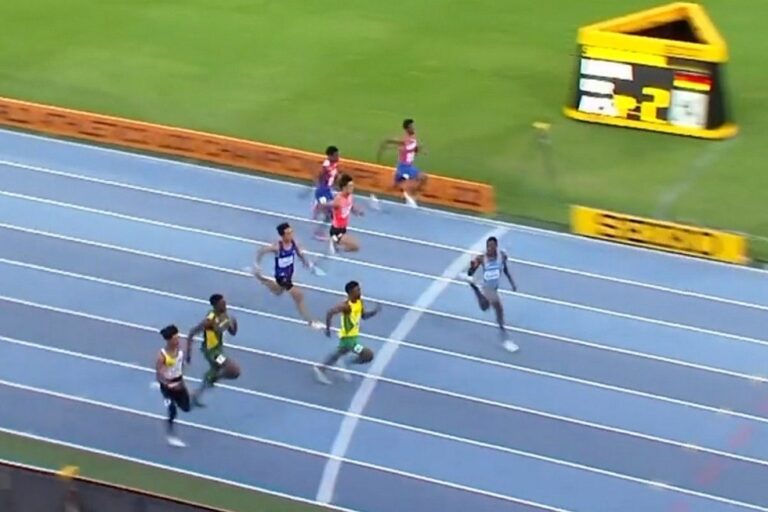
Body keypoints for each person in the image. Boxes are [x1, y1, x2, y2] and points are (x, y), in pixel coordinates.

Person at [251, 222, 324, 329]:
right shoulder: (277, 246)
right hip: (282, 276)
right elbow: (261, 251)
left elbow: (299, 254)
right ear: (283, 236)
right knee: (299, 296)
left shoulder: (294, 243)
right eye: (288, 233)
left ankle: (260, 278)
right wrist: (257, 264)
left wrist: (307, 263)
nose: (291, 235)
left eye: (291, 232)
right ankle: (311, 322)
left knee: (278, 292)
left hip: (289, 274)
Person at [314, 280, 380, 384]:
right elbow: (330, 312)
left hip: (354, 336)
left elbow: (363, 316)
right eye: (357, 290)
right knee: (368, 355)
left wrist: (373, 312)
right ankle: (343, 363)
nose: (360, 292)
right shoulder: (346, 306)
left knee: (338, 353)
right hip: (348, 339)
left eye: (359, 289)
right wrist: (328, 329)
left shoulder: (360, 302)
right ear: (350, 292)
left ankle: (321, 368)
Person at [464, 236, 519, 353]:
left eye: (492, 246)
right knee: (498, 308)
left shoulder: (501, 257)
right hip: (487, 288)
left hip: (494, 288)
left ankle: (474, 287)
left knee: (485, 307)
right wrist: (471, 267)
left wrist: (512, 283)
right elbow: (470, 272)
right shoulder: (481, 258)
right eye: (488, 246)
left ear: (496, 247)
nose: (489, 248)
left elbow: (505, 270)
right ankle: (504, 337)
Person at [186, 294, 241, 407]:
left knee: (220, 371)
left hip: (218, 350)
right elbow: (192, 332)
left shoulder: (224, 315)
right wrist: (188, 353)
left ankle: (196, 394)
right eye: (222, 304)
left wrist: (235, 324)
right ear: (216, 306)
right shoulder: (210, 320)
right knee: (234, 370)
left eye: (225, 303)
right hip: (212, 352)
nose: (225, 305)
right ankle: (212, 378)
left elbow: (232, 332)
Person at [376, 118, 427, 208]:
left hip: (406, 166)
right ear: (407, 129)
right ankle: (410, 197)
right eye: (411, 127)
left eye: (413, 126)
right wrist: (385, 145)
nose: (413, 128)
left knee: (394, 186)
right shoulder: (405, 139)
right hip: (404, 167)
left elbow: (414, 149)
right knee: (422, 177)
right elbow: (398, 146)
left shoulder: (413, 138)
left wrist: (418, 150)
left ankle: (377, 198)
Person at [155, 325, 191, 447]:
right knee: (172, 410)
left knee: (186, 407)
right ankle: (170, 433)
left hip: (179, 383)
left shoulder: (180, 351)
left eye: (178, 337)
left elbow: (181, 366)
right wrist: (168, 384)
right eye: (176, 338)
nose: (178, 340)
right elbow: (158, 375)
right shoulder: (162, 356)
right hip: (167, 387)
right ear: (169, 340)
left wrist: (181, 381)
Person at [329, 173, 364, 255]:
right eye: (350, 186)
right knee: (355, 247)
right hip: (336, 230)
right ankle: (334, 239)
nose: (353, 188)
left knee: (352, 248)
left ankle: (336, 243)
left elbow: (350, 206)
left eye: (352, 186)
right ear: (344, 188)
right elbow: (331, 206)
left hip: (344, 228)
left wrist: (357, 212)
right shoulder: (338, 200)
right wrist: (323, 204)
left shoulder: (350, 196)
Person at [312, 146, 340, 240]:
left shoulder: (335, 164)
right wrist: (319, 187)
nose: (338, 157)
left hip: (328, 191)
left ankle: (319, 206)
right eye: (336, 155)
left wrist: (335, 185)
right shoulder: (326, 166)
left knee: (332, 212)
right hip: (322, 192)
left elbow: (334, 176)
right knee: (330, 214)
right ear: (330, 156)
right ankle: (318, 232)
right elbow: (318, 176)